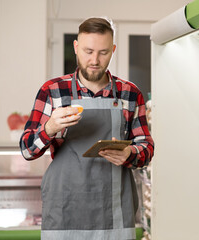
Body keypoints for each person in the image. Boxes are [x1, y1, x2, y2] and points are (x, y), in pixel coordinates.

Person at [19, 17, 154, 240]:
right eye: (88, 51)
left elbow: (147, 147)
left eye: (103, 52)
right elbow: (26, 149)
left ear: (113, 50)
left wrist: (131, 153)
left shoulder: (129, 93)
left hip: (114, 213)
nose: (95, 60)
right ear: (76, 47)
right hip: (64, 211)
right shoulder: (53, 91)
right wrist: (50, 127)